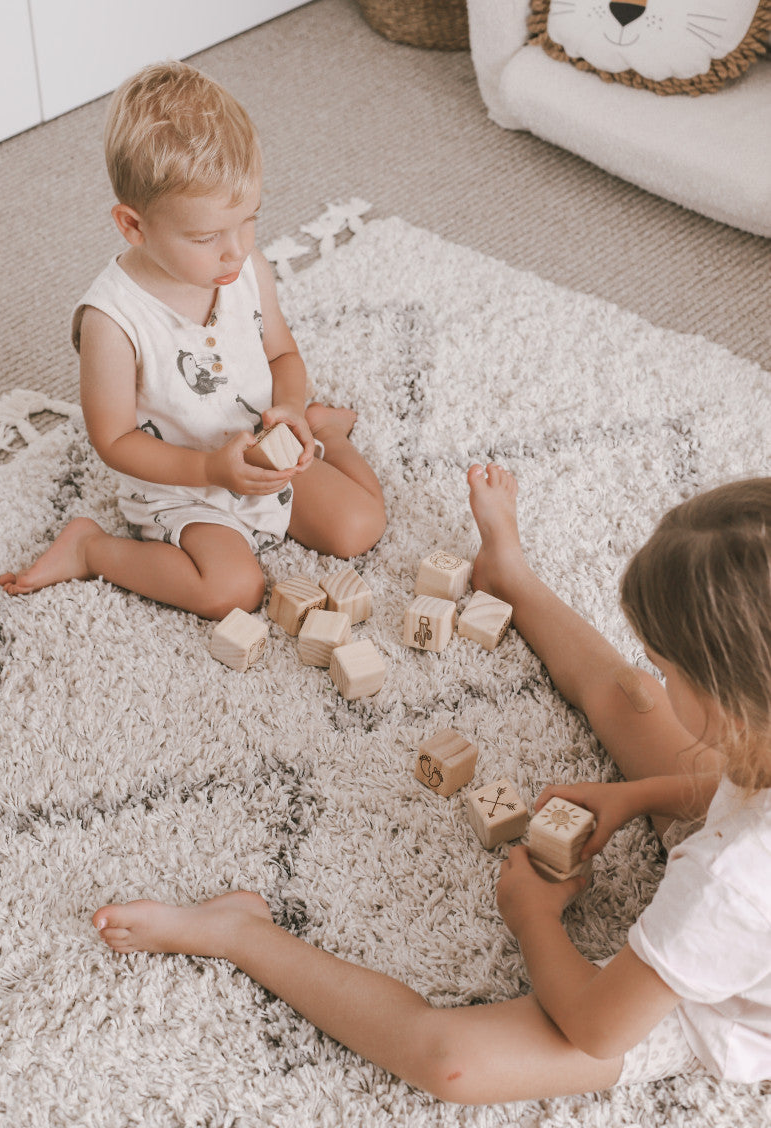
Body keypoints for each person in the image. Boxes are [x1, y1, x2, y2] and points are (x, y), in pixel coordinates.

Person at [92, 465, 771, 1103]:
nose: (653, 671)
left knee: (449, 1059)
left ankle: (239, 932)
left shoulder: (727, 880)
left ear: (734, 703)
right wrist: (640, 795)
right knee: (635, 699)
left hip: (724, 1009)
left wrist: (531, 918)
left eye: (666, 664)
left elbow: (596, 1026)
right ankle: (512, 581)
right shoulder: (753, 743)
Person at [0, 62, 385, 619]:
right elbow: (115, 441)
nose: (235, 250)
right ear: (133, 226)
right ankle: (91, 548)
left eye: (249, 220)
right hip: (180, 483)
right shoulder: (113, 320)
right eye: (206, 236)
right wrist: (209, 472)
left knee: (360, 526)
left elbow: (281, 354)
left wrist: (292, 409)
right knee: (231, 592)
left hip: (257, 450)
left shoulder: (247, 266)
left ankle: (322, 429)